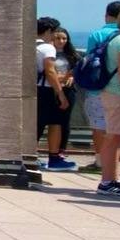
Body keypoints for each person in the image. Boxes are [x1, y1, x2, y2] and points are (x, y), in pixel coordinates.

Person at [79, 1, 120, 181]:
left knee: (100, 127)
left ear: (107, 15)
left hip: (98, 89)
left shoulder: (97, 34)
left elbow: (91, 61)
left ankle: (100, 163)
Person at [36, 17, 76, 171]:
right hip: (47, 90)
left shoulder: (31, 45)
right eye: (55, 32)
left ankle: (29, 156)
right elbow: (50, 71)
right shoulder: (48, 48)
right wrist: (60, 93)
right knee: (56, 123)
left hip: (35, 89)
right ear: (48, 31)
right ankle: (54, 158)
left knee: (37, 125)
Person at [102, 14, 120, 197]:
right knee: (115, 137)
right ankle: (108, 181)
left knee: (115, 136)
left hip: (111, 92)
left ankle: (111, 180)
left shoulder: (116, 38)